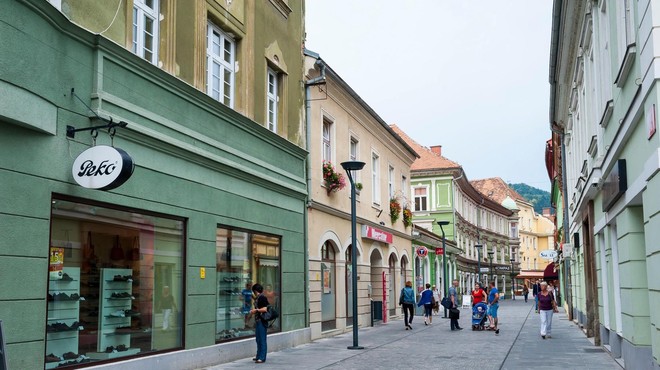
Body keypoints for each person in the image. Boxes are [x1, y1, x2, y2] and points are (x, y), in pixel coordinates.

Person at [250, 283, 269, 363]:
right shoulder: (258, 298)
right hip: (258, 320)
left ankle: (262, 357)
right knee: (258, 339)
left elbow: (265, 309)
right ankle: (258, 355)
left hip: (262, 321)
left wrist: (256, 310)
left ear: (255, 290)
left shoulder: (262, 298)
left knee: (262, 339)